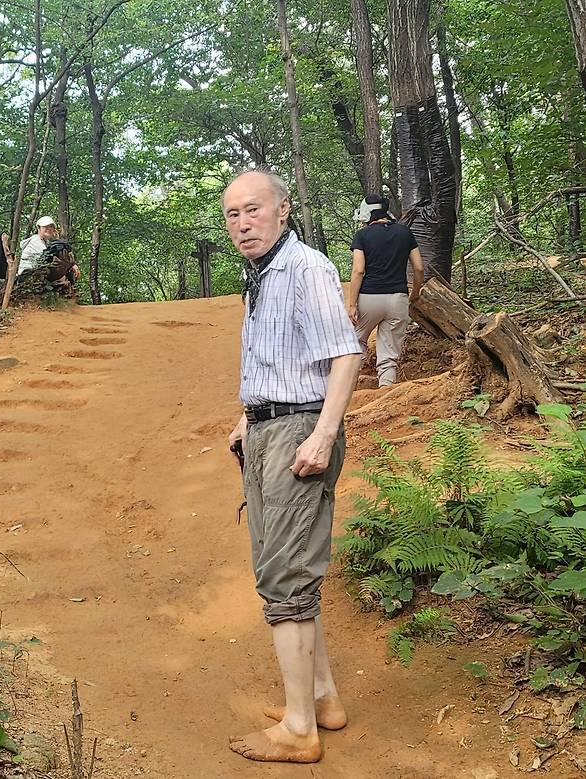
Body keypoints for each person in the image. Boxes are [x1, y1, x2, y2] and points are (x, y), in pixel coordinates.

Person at [225, 170, 362, 764]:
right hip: (268, 427)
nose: (242, 222)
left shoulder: (306, 267)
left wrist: (324, 434)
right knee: (292, 571)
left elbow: (346, 355)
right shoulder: (262, 274)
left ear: (283, 210)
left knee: (283, 579)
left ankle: (299, 727)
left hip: (299, 434)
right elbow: (275, 357)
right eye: (232, 214)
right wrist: (246, 417)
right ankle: (322, 698)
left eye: (253, 209)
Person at [348, 194, 425, 386]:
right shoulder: (404, 232)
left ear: (367, 213)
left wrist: (351, 304)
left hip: (369, 298)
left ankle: (347, 390)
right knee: (389, 354)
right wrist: (415, 293)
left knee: (356, 341)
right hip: (398, 298)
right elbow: (419, 268)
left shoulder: (362, 236)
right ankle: (385, 394)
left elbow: (358, 271)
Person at [18, 216, 80, 285]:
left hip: (37, 274)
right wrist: (71, 266)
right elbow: (47, 260)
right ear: (38, 228)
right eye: (45, 227)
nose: (49, 229)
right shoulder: (35, 241)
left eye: (51, 227)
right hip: (27, 276)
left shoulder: (46, 242)